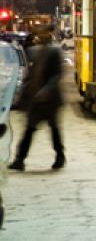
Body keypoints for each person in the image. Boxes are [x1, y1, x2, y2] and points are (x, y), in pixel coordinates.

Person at [9, 26, 65, 171]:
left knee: (53, 129)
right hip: (36, 99)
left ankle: (60, 156)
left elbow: (57, 74)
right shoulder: (33, 51)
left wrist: (47, 90)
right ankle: (19, 160)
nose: (42, 36)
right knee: (29, 130)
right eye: (40, 33)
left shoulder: (55, 51)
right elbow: (30, 75)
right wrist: (24, 95)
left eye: (44, 33)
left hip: (50, 99)